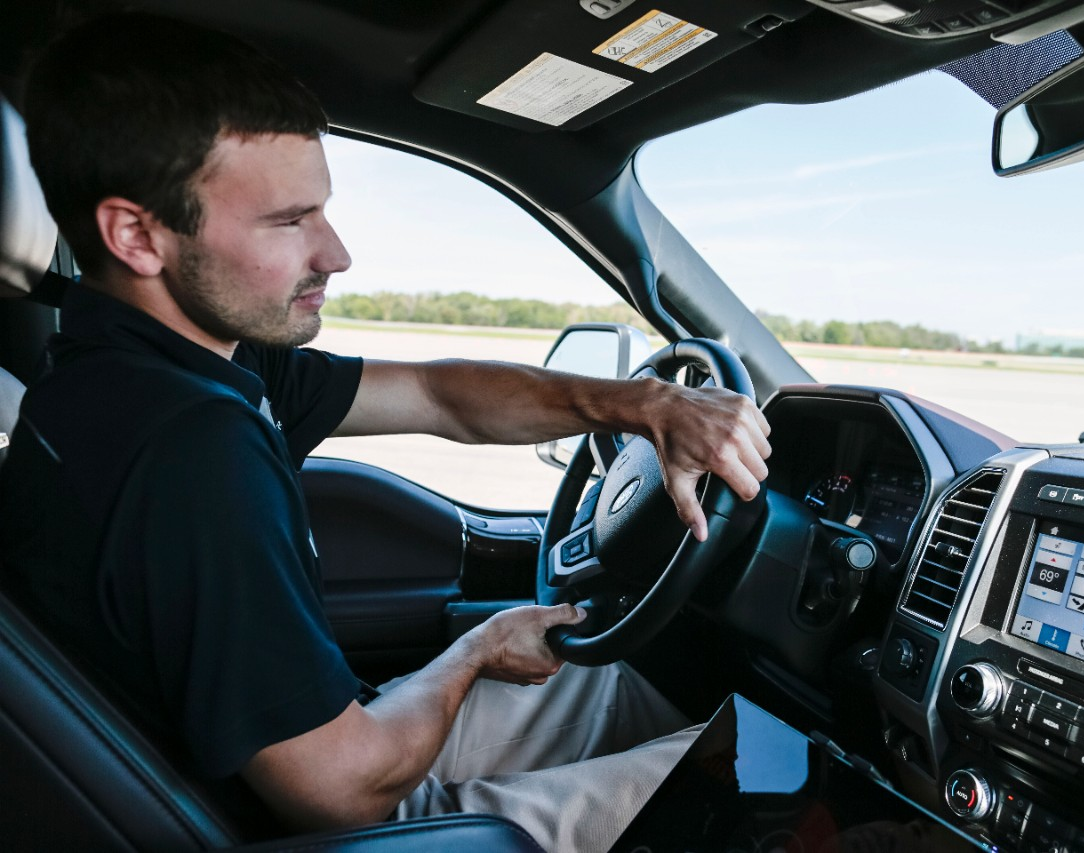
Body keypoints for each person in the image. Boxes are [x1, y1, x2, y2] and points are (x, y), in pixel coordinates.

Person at [0, 12, 770, 851]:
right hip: (317, 823)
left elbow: (440, 397)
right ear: (136, 235)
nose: (336, 253)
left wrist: (641, 405)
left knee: (614, 686)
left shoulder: (147, 367)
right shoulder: (186, 453)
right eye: (289, 220)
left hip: (295, 757)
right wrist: (474, 649)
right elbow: (343, 794)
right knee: (749, 775)